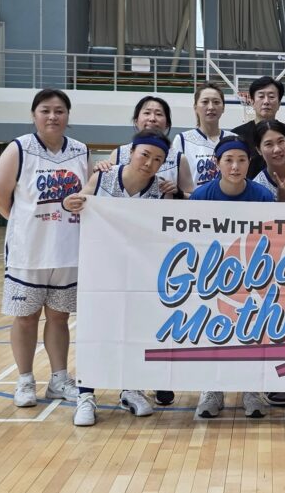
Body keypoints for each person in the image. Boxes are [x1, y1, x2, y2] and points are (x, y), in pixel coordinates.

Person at [62, 129, 174, 426]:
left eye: (157, 159)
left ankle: (130, 389)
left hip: (140, 273)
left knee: (137, 331)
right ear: (131, 152)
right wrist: (70, 203)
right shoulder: (103, 177)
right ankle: (86, 394)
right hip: (100, 270)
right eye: (144, 155)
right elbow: (79, 200)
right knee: (95, 332)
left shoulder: (161, 190)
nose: (149, 163)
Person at [0, 89, 87, 408]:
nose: (53, 116)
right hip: (28, 252)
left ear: (68, 116)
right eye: (45, 110)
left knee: (59, 318)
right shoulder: (19, 148)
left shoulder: (80, 150)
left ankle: (59, 379)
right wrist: (25, 224)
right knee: (26, 318)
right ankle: (25, 380)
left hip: (68, 250)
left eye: (59, 111)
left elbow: (86, 195)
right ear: (34, 115)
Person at [189, 136, 274, 418]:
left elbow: (271, 240)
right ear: (217, 163)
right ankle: (212, 389)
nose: (235, 167)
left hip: (252, 276)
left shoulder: (263, 196)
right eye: (228, 160)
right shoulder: (201, 196)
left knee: (251, 333)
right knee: (213, 333)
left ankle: (252, 388)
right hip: (212, 276)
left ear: (249, 163)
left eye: (241, 160)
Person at [109, 96, 193, 200]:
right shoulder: (118, 153)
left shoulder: (179, 159)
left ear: (167, 124)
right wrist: (101, 167)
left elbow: (192, 198)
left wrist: (178, 193)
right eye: (147, 113)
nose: (152, 119)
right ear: (136, 120)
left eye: (159, 114)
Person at [231, 76, 285, 178]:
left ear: (279, 103)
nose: (266, 101)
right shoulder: (236, 135)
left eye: (271, 97)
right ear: (252, 102)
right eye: (261, 96)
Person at [173, 82, 235, 186]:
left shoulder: (233, 139)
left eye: (216, 102)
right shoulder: (182, 140)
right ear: (195, 107)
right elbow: (173, 179)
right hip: (193, 196)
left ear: (223, 107)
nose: (211, 107)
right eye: (205, 102)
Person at [253, 120, 285, 202]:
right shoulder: (257, 187)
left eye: (281, 141)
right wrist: (281, 200)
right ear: (259, 150)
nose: (277, 149)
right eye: (268, 144)